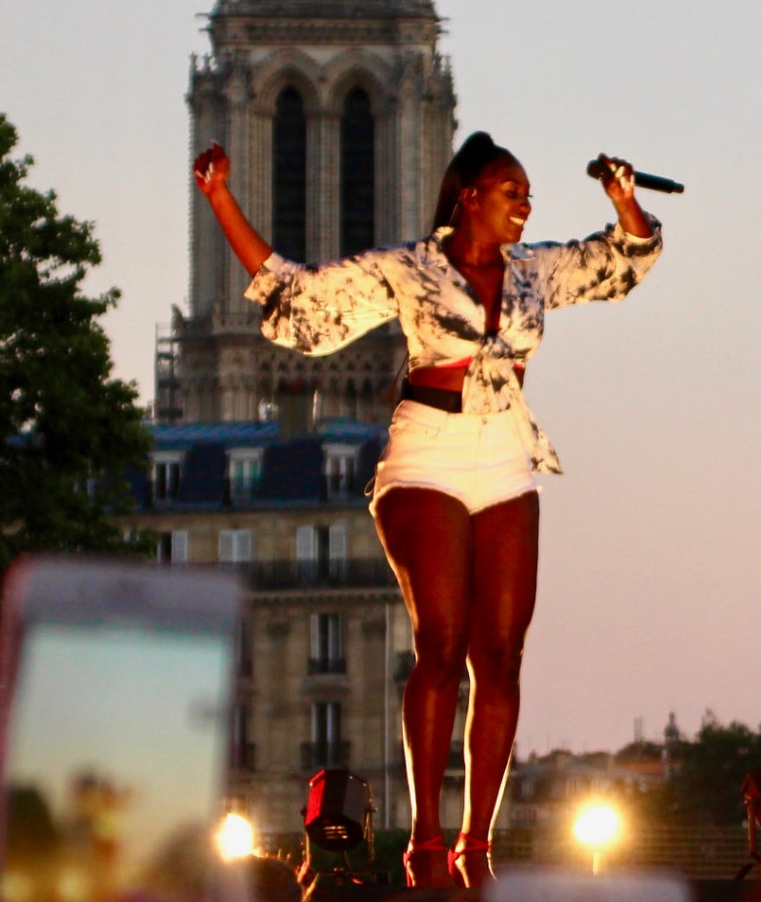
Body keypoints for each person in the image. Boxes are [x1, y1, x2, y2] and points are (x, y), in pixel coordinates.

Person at [194, 133, 661, 889]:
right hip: (428, 451)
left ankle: (478, 841)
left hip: (504, 450)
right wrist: (221, 199)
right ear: (470, 194)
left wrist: (624, 201)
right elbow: (301, 295)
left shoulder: (532, 271)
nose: (526, 205)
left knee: (501, 656)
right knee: (441, 641)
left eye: (531, 196)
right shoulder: (409, 268)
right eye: (513, 192)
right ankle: (427, 838)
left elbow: (622, 262)